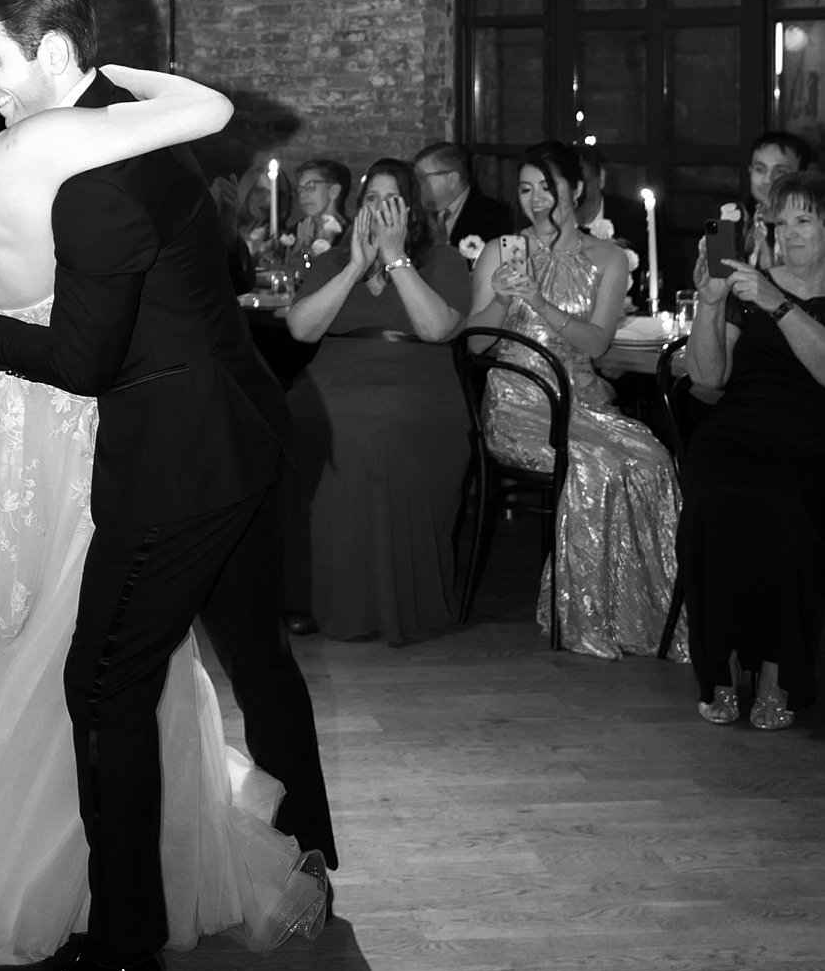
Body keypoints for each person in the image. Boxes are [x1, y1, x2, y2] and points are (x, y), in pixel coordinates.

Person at [0, 0, 334, 971]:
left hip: (178, 459)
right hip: (242, 432)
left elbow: (86, 357)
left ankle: (121, 953)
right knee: (259, 656)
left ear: (49, 53)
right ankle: (311, 855)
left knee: (103, 687)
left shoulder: (86, 172)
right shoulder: (115, 123)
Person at [464, 140, 683, 661]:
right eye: (525, 189)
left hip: (582, 398)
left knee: (651, 458)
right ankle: (585, 615)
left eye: (547, 187)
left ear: (576, 190)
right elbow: (473, 344)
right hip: (519, 401)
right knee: (596, 464)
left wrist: (539, 300)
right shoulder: (500, 249)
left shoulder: (607, 257)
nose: (536, 200)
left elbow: (597, 343)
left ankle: (650, 614)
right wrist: (500, 294)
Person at [284, 158, 470, 644]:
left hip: (415, 379)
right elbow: (302, 329)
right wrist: (354, 266)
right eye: (371, 200)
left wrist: (396, 259)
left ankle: (376, 600)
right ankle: (308, 595)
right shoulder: (332, 260)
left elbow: (435, 329)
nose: (379, 210)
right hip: (333, 372)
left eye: (392, 201)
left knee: (374, 432)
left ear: (410, 210)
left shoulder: (444, 260)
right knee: (294, 422)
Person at [678, 170, 825, 729]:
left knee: (783, 503)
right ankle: (724, 662)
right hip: (737, 428)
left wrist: (779, 303)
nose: (789, 233)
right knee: (714, 499)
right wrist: (711, 304)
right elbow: (707, 378)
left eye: (804, 220)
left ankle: (776, 668)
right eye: (780, 221)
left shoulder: (771, 292)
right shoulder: (751, 285)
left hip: (811, 436)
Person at [412, 141, 515, 249]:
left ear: (452, 180)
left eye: (422, 177)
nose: (416, 184)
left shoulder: (494, 217)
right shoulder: (417, 213)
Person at [741, 130, 814, 268]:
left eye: (780, 172)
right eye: (760, 169)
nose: (768, 180)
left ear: (802, 175)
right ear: (750, 171)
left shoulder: (815, 228)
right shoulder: (739, 222)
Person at [283, 157, 351, 279]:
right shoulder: (294, 231)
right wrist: (299, 248)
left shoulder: (350, 235)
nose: (302, 195)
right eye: (299, 189)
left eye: (310, 186)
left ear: (334, 191)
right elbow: (289, 278)